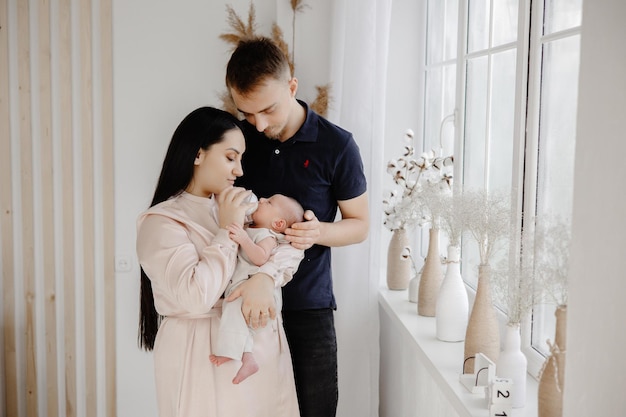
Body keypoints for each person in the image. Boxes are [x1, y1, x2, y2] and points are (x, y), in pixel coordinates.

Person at [226, 37, 370, 417]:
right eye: (247, 112)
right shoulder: (238, 140)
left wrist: (318, 232)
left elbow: (359, 226)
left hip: (308, 306)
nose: (258, 124)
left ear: (292, 87)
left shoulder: (337, 146)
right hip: (241, 306)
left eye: (268, 110)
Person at [136, 106, 302, 417]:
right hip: (201, 350)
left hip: (259, 344)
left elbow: (289, 243)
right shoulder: (160, 222)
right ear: (198, 155)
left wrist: (265, 277)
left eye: (240, 158)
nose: (239, 170)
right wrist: (226, 232)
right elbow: (196, 296)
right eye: (230, 157)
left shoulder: (244, 203)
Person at [210, 193, 305, 384]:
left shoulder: (268, 236)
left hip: (259, 292)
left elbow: (260, 257)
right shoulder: (251, 228)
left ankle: (241, 355)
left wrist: (244, 240)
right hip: (245, 287)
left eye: (268, 202)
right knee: (235, 313)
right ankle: (246, 355)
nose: (261, 200)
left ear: (278, 224)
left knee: (234, 311)